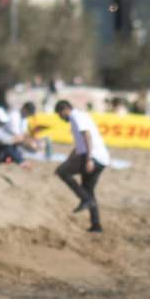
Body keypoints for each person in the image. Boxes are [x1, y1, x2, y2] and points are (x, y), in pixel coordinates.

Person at [53, 97, 107, 233]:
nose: (60, 118)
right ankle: (96, 225)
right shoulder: (78, 117)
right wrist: (68, 160)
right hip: (100, 158)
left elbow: (87, 137)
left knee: (62, 172)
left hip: (94, 157)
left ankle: (85, 199)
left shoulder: (76, 117)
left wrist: (89, 160)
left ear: (65, 109)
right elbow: (79, 146)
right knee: (88, 190)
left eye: (60, 114)